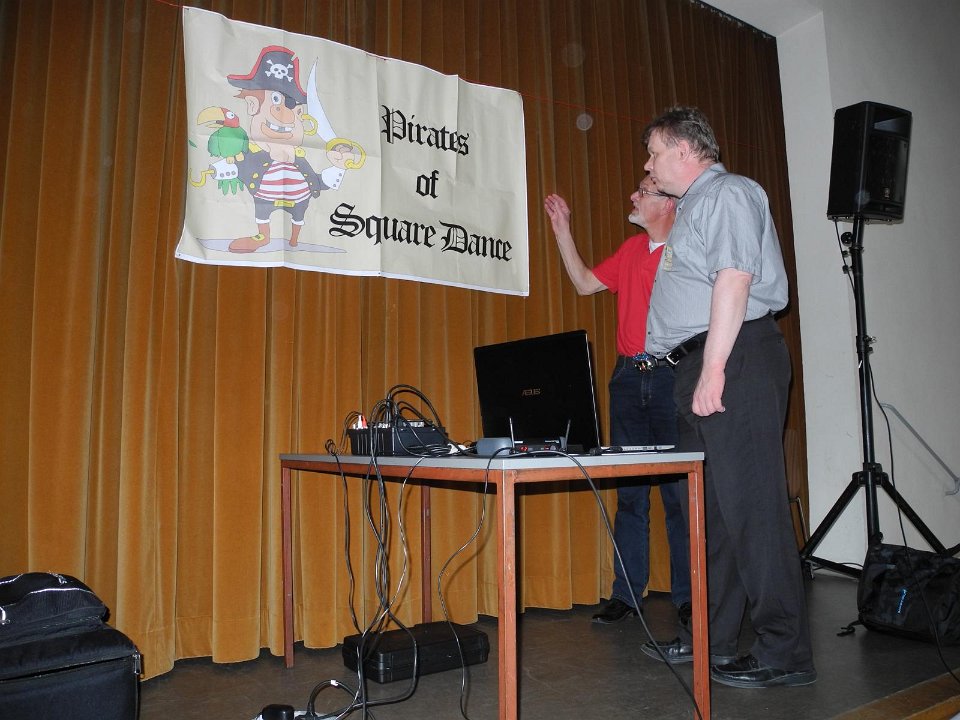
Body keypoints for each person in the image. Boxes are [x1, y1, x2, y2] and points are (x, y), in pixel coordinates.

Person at [638, 106, 816, 688]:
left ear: (685, 150)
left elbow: (735, 279)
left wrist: (713, 369)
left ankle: (784, 651)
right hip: (704, 363)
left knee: (755, 508)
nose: (649, 166)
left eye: (654, 153)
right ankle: (710, 639)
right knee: (713, 517)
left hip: (734, 357)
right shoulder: (694, 209)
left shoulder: (729, 193)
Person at [544, 177, 691, 628]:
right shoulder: (630, 251)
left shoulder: (688, 252)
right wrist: (562, 229)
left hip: (672, 377)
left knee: (679, 496)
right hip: (628, 379)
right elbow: (585, 284)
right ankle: (626, 595)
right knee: (630, 496)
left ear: (668, 204)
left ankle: (690, 597)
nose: (633, 196)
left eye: (644, 191)